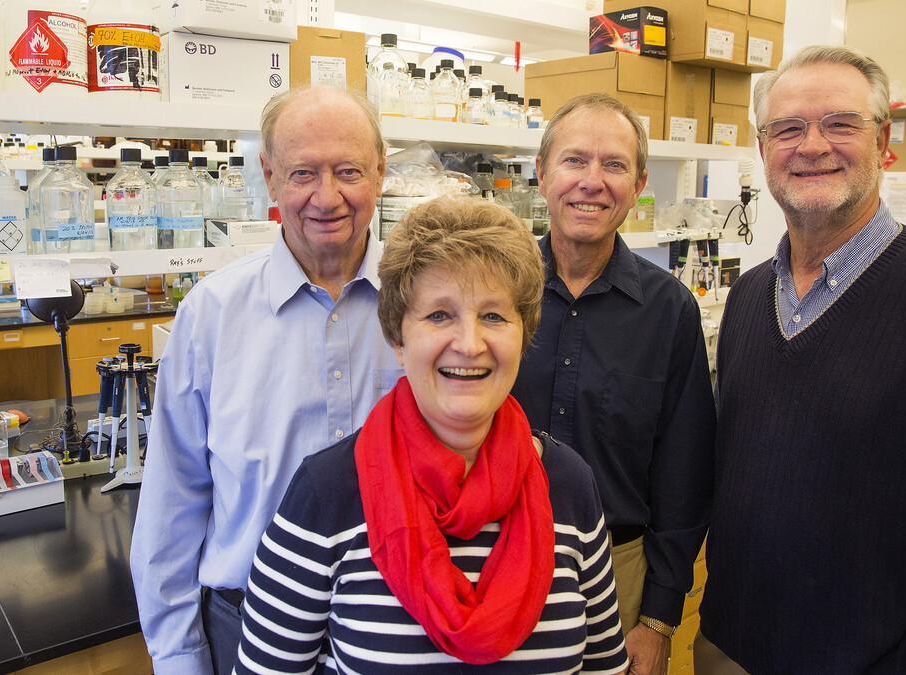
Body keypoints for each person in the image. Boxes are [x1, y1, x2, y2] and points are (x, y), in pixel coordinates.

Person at [696, 45, 906, 675]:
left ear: (883, 141)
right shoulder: (750, 297)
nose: (812, 145)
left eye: (840, 124)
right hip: (729, 646)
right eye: (787, 128)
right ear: (763, 149)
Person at [233, 196, 631, 674]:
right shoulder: (328, 492)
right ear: (398, 339)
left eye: (494, 316)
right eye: (439, 315)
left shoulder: (568, 485)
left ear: (523, 336)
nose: (469, 343)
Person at [130, 86, 403, 675]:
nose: (326, 197)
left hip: (398, 626)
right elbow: (171, 505)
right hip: (246, 622)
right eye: (304, 172)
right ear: (270, 176)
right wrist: (179, 658)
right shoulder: (210, 315)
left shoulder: (427, 307)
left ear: (380, 172)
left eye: (349, 171)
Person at [511, 92, 715, 675]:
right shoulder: (495, 291)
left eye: (615, 165)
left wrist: (658, 619)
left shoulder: (670, 309)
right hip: (490, 555)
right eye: (575, 161)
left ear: (640, 182)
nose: (592, 182)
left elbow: (685, 471)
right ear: (542, 172)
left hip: (618, 569)